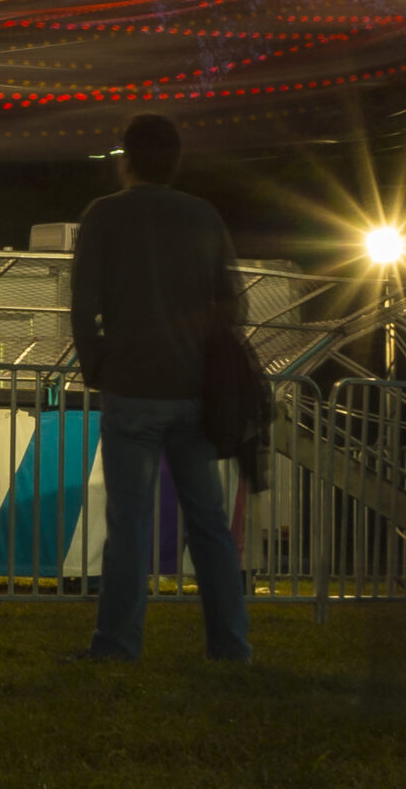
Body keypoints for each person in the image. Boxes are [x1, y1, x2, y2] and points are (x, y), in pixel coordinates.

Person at [68, 113, 251, 664]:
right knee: (210, 523)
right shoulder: (203, 216)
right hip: (194, 391)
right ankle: (230, 646)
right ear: (175, 162)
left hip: (131, 387)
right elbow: (235, 305)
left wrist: (98, 365)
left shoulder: (105, 216)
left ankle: (118, 644)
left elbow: (84, 304)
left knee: (129, 523)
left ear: (125, 159)